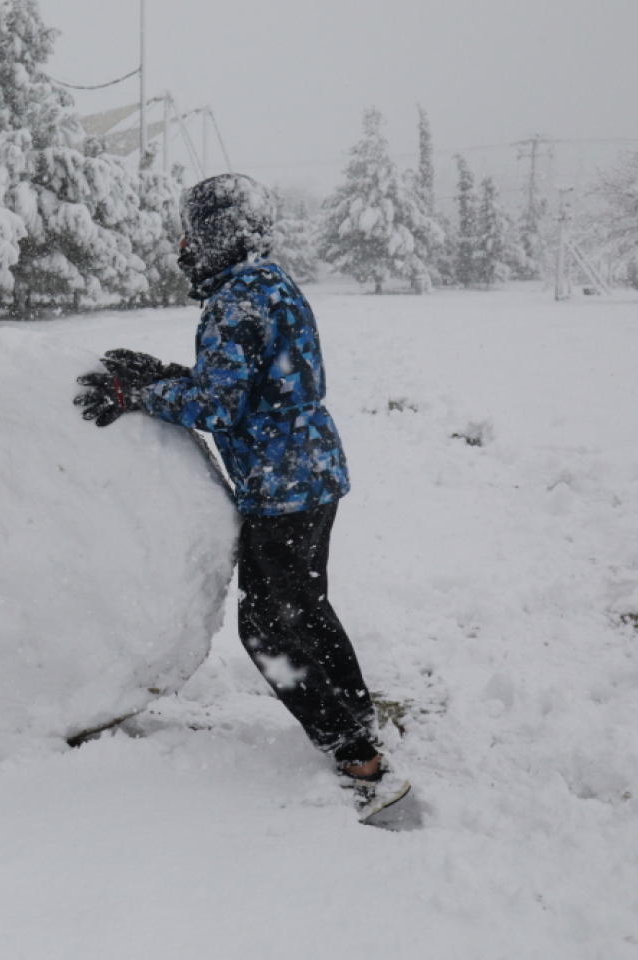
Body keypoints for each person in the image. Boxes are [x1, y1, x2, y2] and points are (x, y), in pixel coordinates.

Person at [74, 174, 411, 824]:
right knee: (307, 608)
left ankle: (358, 757)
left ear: (219, 235)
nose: (182, 248)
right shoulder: (270, 284)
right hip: (314, 471)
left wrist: (136, 395)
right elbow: (252, 385)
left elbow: (218, 405)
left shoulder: (234, 303)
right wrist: (168, 375)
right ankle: (358, 717)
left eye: (191, 235)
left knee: (266, 629)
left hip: (280, 488)